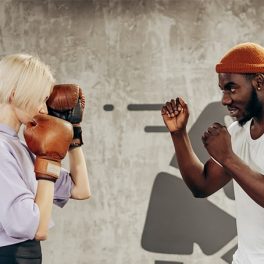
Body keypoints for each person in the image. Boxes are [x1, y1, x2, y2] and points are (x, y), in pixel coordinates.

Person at [161, 42, 264, 264]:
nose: (225, 100)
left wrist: (228, 158)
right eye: (223, 90)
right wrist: (179, 134)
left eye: (232, 88)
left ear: (259, 82)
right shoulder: (238, 133)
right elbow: (202, 185)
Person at [0, 54, 91, 264]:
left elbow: (80, 189)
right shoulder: (2, 149)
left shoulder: (22, 147)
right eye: (40, 98)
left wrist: (73, 135)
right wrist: (48, 161)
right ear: (14, 95)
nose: (44, 108)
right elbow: (36, 229)